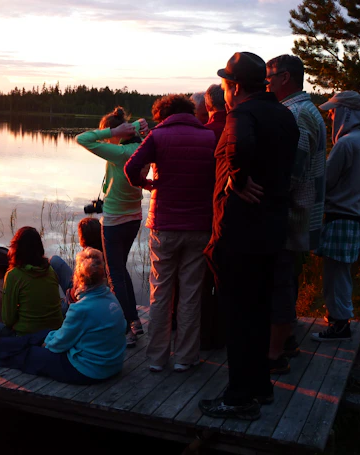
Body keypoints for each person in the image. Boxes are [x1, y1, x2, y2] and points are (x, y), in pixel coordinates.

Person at [199, 52, 299, 421]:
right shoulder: (286, 115)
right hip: (271, 231)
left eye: (226, 85)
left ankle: (239, 397)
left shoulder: (241, 114)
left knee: (239, 318)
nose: (225, 92)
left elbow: (241, 145)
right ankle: (260, 386)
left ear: (236, 87)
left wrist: (236, 178)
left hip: (238, 235)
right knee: (258, 312)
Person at [125, 94, 216, 373]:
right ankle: (185, 358)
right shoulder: (209, 136)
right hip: (199, 225)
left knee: (160, 292)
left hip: (164, 224)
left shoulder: (158, 135)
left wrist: (147, 184)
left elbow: (130, 167)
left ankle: (156, 358)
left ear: (162, 114)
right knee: (190, 294)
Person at [0, 248, 126, 384]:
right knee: (43, 334)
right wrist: (48, 338)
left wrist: (47, 343)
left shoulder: (82, 308)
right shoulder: (111, 298)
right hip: (112, 363)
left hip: (88, 370)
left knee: (30, 354)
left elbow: (59, 344)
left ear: (79, 277)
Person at [265, 54, 327, 373]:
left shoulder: (297, 113)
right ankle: (286, 340)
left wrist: (268, 195)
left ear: (285, 78)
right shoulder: (303, 109)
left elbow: (295, 169)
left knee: (281, 280)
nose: (266, 82)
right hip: (300, 211)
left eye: (270, 76)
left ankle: (277, 352)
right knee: (287, 278)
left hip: (293, 213)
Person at [76, 107, 149, 348]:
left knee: (114, 273)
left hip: (116, 220)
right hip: (133, 217)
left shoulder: (121, 152)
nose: (106, 138)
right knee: (119, 270)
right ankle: (134, 320)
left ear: (118, 131)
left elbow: (82, 139)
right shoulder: (140, 146)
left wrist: (113, 131)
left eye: (109, 134)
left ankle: (129, 325)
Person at [311, 91, 360, 341]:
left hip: (341, 214)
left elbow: (326, 180)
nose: (331, 116)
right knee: (342, 272)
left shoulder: (346, 143)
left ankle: (339, 325)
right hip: (355, 215)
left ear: (346, 112)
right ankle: (340, 317)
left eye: (334, 111)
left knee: (334, 274)